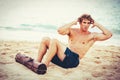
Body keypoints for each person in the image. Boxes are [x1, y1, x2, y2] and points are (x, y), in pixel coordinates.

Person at [37, 14, 112, 74]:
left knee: (54, 41)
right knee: (45, 39)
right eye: (84, 22)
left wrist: (97, 24)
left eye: (88, 23)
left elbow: (109, 35)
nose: (86, 25)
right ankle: (37, 63)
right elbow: (59, 30)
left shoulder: (92, 36)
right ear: (80, 23)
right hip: (62, 58)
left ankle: (44, 66)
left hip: (73, 60)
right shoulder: (73, 31)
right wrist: (73, 22)